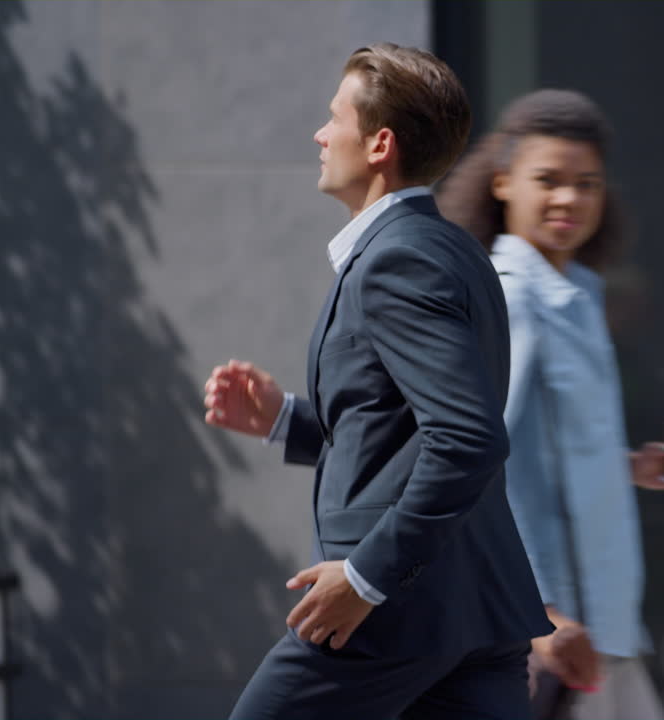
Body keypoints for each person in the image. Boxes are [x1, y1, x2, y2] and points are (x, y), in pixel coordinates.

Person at [201, 44, 552, 719]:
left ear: (379, 144)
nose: (320, 134)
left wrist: (366, 578)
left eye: (334, 118)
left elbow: (469, 440)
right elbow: (406, 430)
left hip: (391, 615)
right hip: (474, 612)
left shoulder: (397, 262)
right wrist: (286, 420)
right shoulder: (452, 251)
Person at [437, 89, 664, 720]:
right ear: (503, 182)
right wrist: (537, 613)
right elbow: (476, 468)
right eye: (549, 180)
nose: (569, 198)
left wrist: (633, 467)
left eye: (587, 183)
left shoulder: (577, 294)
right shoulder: (510, 299)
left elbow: (544, 451)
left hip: (598, 630)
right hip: (547, 637)